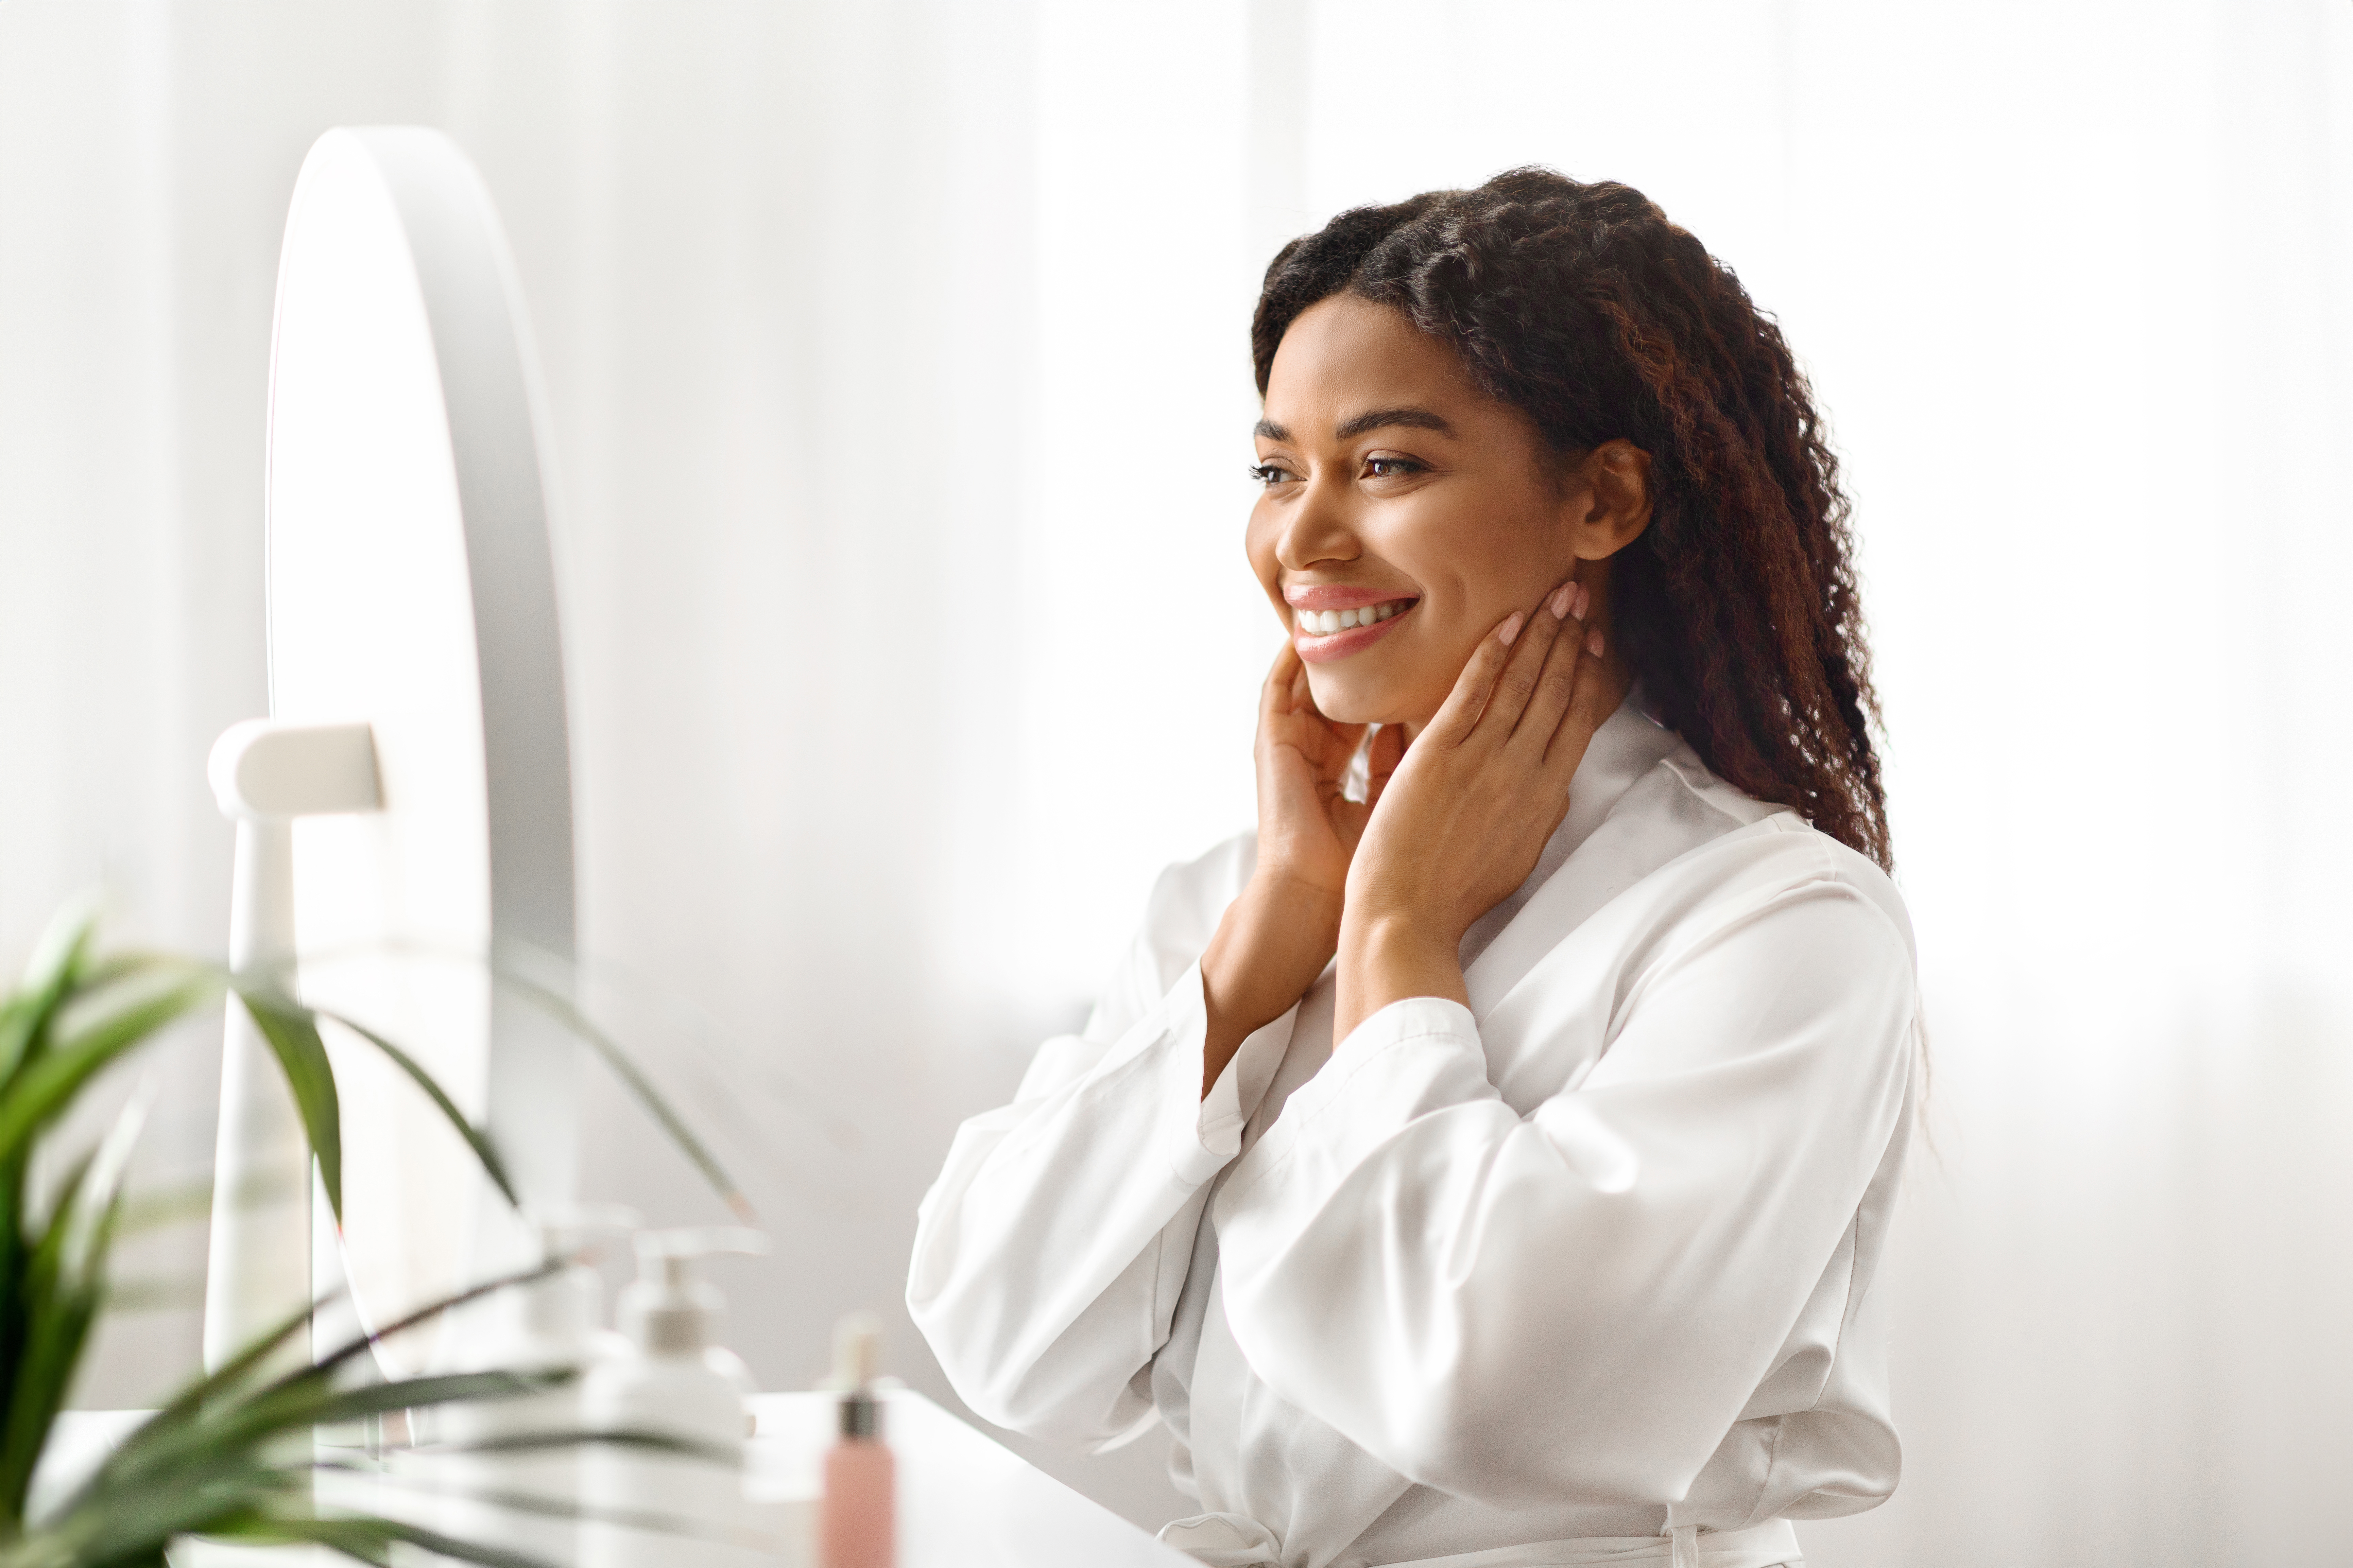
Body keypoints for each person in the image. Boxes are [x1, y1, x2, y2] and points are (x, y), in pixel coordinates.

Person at [907, 168, 1918, 1568]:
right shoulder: (1245, 895)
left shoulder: (1779, 924)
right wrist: (1276, 936)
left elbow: (1500, 1390)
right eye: (1276, 469)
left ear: (1605, 498)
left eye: (1386, 465)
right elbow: (997, 1331)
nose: (1301, 539)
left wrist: (1396, 934)